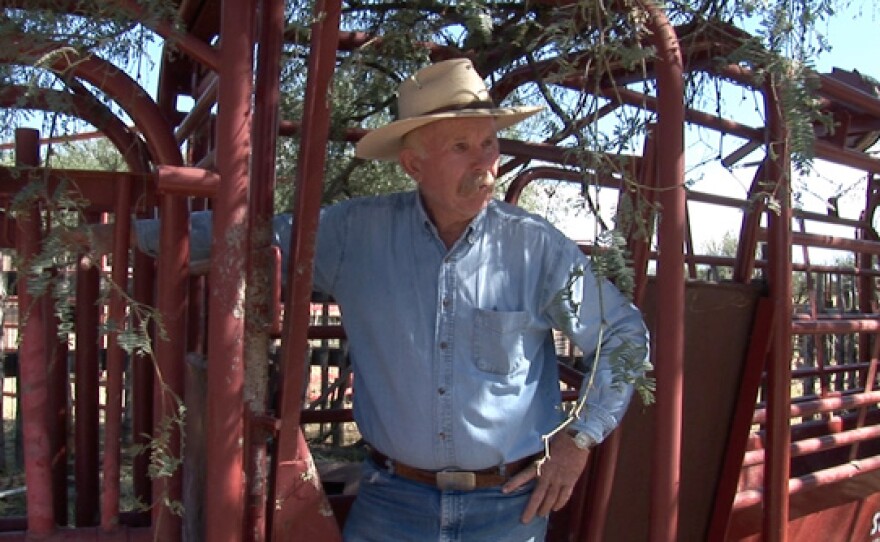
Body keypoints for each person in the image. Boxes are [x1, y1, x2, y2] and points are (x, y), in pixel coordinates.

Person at [134, 58, 650, 541]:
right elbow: (244, 240)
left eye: (489, 144)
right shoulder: (355, 234)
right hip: (393, 503)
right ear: (412, 164)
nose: (485, 164)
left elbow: (623, 334)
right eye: (460, 147)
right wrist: (120, 235)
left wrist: (578, 440)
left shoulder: (535, 247)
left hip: (508, 509)